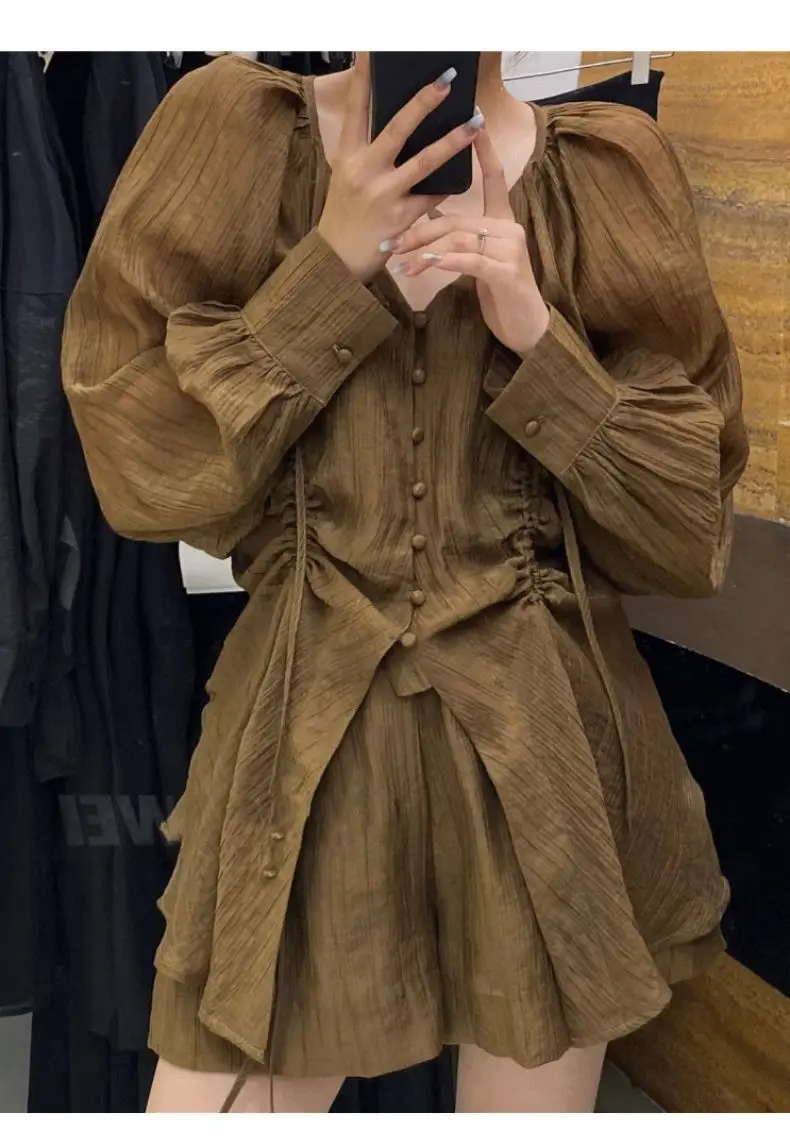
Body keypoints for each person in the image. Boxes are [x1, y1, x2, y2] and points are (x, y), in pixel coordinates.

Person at [61, 51, 748, 1113]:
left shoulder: (609, 173)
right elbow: (139, 461)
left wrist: (535, 334)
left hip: (550, 754)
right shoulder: (234, 134)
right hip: (304, 746)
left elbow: (683, 522)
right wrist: (328, 270)